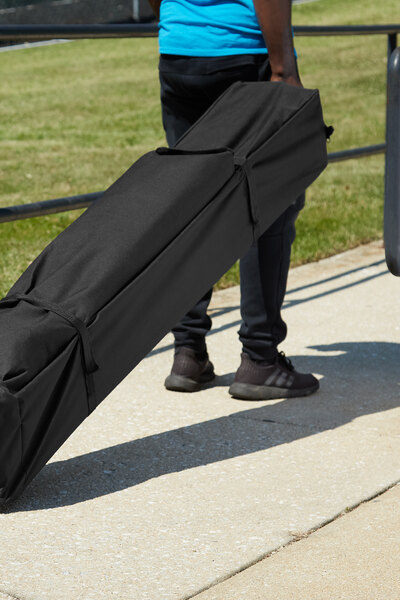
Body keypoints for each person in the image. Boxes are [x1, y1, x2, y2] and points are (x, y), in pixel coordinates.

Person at [148, 0, 320, 400]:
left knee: (193, 203)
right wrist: (283, 69)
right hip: (245, 53)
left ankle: (188, 353)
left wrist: (180, 28)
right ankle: (260, 360)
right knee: (270, 200)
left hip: (180, 54)